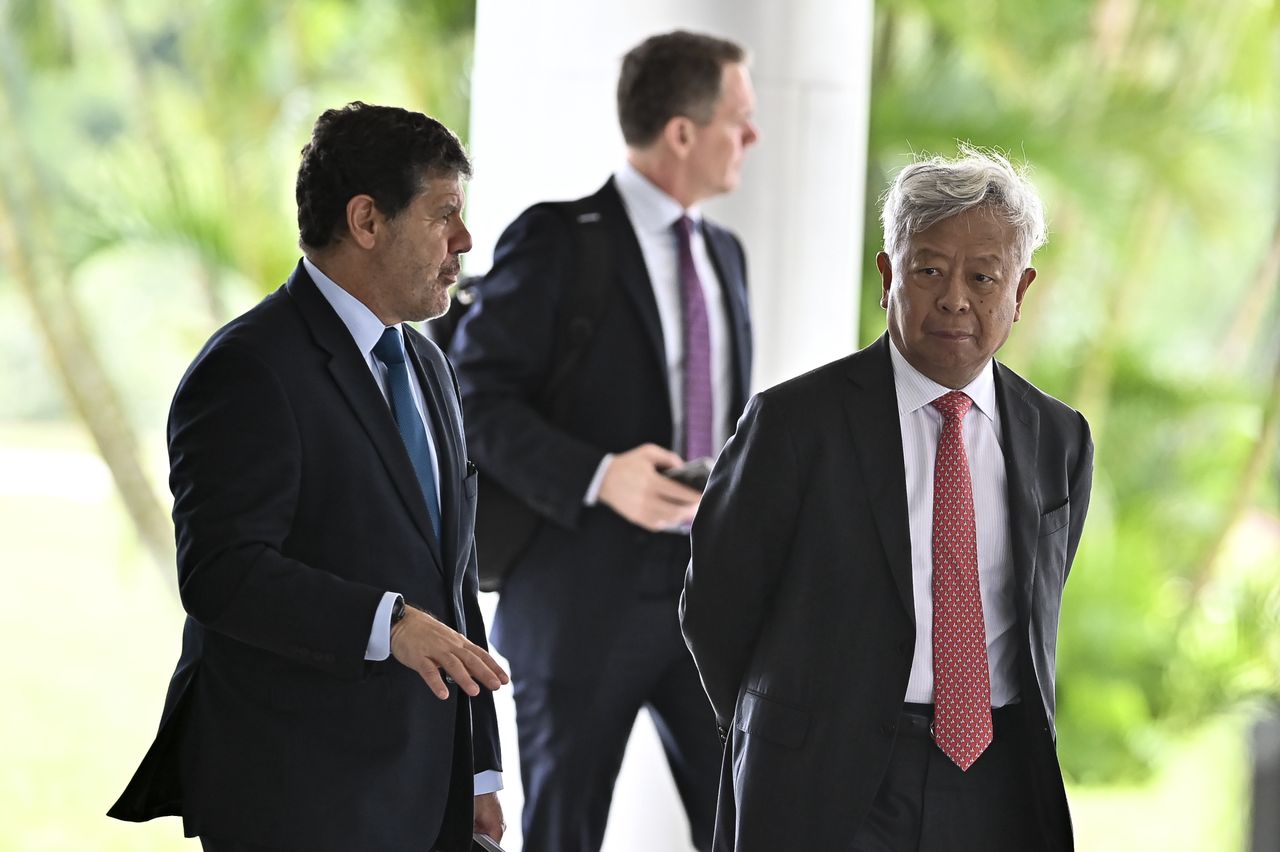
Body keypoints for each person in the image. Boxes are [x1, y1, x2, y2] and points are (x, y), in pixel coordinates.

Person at [107, 102, 510, 852]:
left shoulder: (428, 365)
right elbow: (223, 572)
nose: (465, 241)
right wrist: (386, 623)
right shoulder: (247, 369)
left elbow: (453, 577)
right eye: (444, 214)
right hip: (298, 793)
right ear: (366, 221)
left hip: (430, 790)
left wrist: (480, 772)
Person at [681, 147, 1093, 852]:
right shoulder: (792, 424)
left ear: (1019, 291)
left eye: (983, 277)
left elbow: (1034, 610)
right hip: (824, 781)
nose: (954, 298)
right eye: (928, 269)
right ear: (887, 275)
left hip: (996, 784)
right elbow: (716, 607)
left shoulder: (1058, 438)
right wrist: (785, 725)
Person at [448, 30, 759, 852]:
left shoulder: (726, 255)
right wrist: (598, 475)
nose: (752, 139)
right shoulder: (558, 239)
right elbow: (472, 398)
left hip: (709, 605)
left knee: (749, 824)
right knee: (564, 836)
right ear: (683, 133)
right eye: (739, 119)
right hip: (580, 602)